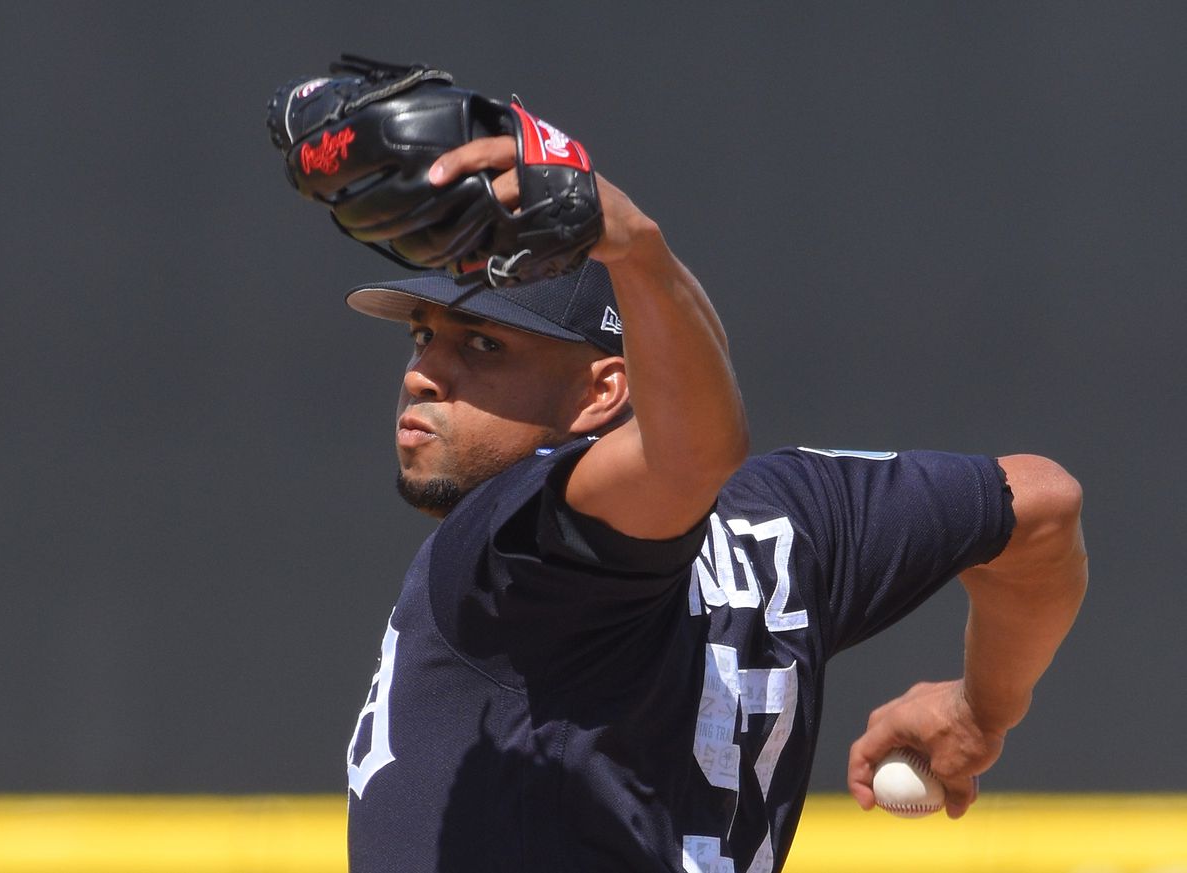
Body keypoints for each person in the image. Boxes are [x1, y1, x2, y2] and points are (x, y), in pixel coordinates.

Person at [339, 135, 1087, 873]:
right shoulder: (792, 518)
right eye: (423, 337)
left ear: (602, 391)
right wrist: (980, 711)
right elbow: (1042, 506)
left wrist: (635, 248)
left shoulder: (514, 542)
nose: (424, 375)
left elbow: (690, 455)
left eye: (482, 347)